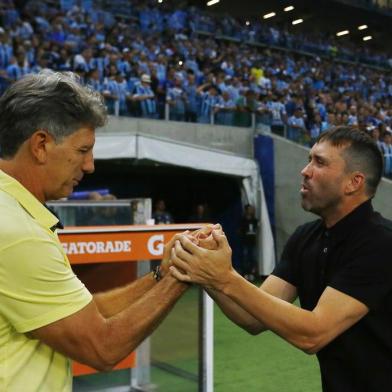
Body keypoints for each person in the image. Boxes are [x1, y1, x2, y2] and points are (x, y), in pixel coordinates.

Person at [0, 70, 189, 391]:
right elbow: (102, 347)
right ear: (41, 145)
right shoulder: (17, 232)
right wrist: (184, 276)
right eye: (82, 150)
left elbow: (83, 312)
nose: (90, 166)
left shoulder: (12, 213)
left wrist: (161, 275)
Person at [169, 126, 392, 391]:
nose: (305, 170)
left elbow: (313, 334)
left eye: (319, 162)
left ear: (353, 182)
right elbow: (252, 317)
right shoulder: (306, 238)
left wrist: (224, 276)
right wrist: (206, 270)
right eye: (309, 159)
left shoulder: (381, 243)